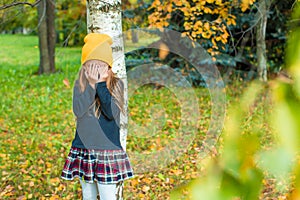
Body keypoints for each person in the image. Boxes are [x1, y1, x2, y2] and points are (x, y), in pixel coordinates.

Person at [61, 33, 134, 200]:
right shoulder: (80, 85)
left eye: (100, 66)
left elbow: (111, 112)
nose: (95, 71)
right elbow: (78, 110)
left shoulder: (116, 84)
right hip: (84, 148)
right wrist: (91, 85)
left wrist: (100, 84)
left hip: (106, 150)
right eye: (91, 66)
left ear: (109, 68)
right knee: (88, 194)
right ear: (84, 68)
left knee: (108, 195)